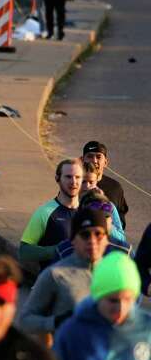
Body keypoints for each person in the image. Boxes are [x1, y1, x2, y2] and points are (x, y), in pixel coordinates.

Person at [19, 208, 107, 347]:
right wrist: (56, 322)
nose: (92, 241)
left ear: (107, 239)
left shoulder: (117, 273)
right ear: (72, 240)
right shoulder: (55, 275)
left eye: (98, 234)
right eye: (85, 235)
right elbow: (25, 321)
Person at [19, 158, 83, 268]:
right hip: (54, 282)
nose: (73, 181)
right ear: (57, 179)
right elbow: (24, 251)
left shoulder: (89, 211)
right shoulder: (45, 212)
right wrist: (58, 250)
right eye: (68, 177)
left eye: (77, 177)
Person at [81, 141, 128, 228]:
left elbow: (121, 222)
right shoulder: (74, 184)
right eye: (90, 156)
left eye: (98, 157)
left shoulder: (115, 187)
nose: (94, 160)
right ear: (82, 160)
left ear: (106, 162)